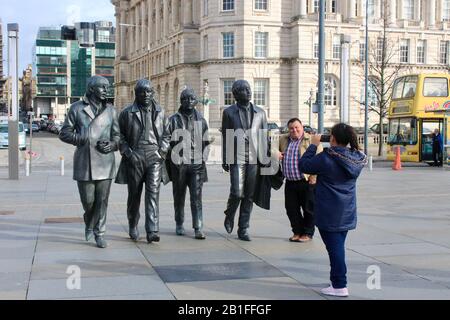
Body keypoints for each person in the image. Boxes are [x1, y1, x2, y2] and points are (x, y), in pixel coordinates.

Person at [299, 123, 367, 297]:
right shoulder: (356, 157)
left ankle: (339, 285)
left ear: (333, 139)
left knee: (335, 249)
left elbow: (304, 165)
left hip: (329, 211)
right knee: (338, 246)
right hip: (347, 210)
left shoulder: (327, 157)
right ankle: (335, 280)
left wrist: (313, 144)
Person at [59, 76, 120, 249]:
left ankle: (99, 233)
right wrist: (81, 138)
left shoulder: (111, 110)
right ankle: (89, 219)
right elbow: (64, 133)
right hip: (85, 161)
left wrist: (113, 144)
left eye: (107, 87)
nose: (106, 91)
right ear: (92, 89)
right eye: (102, 87)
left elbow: (117, 135)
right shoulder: (77, 108)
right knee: (89, 201)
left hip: (105, 161)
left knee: (102, 201)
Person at [115, 79, 171, 244]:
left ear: (153, 93)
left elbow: (167, 134)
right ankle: (133, 224)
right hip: (136, 156)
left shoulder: (160, 112)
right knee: (134, 195)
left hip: (155, 156)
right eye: (142, 92)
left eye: (148, 91)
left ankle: (152, 230)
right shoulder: (127, 113)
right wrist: (128, 153)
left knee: (153, 194)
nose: (145, 95)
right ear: (136, 94)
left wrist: (162, 152)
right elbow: (119, 136)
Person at [221, 80, 270, 241]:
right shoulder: (229, 112)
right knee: (237, 192)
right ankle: (230, 213)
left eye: (249, 89)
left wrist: (266, 159)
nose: (248, 91)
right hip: (237, 157)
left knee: (249, 195)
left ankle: (243, 228)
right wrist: (225, 158)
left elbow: (264, 137)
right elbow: (226, 136)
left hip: (254, 158)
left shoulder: (260, 113)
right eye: (243, 90)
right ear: (236, 94)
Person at [167, 88, 210, 240]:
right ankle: (179, 223)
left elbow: (206, 143)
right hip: (179, 163)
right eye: (185, 99)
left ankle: (198, 227)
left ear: (196, 101)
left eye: (192, 99)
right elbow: (167, 141)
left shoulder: (202, 120)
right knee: (179, 196)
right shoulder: (173, 120)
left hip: (196, 163)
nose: (188, 101)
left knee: (196, 197)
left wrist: (203, 158)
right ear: (181, 101)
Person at [278, 118, 323, 243]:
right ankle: (297, 232)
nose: (294, 130)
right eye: (291, 128)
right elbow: (272, 149)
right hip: (290, 181)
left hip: (307, 181)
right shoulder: (283, 139)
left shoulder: (311, 140)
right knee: (291, 209)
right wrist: (275, 153)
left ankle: (308, 233)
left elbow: (319, 159)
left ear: (302, 127)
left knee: (308, 209)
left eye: (297, 127)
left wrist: (313, 177)